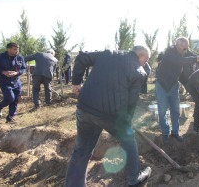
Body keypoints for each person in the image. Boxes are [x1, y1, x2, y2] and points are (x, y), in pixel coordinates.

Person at [65, 45, 152, 187]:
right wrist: (128, 121)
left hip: (85, 108)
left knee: (81, 151)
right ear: (142, 56)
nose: (145, 64)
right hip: (110, 116)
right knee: (129, 141)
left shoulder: (107, 53)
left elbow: (80, 58)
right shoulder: (139, 72)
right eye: (145, 61)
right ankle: (135, 178)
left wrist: (76, 82)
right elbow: (132, 101)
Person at [155, 37, 199, 144]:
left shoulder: (184, 50)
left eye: (187, 48)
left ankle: (175, 132)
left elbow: (193, 56)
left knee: (175, 110)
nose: (186, 51)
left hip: (174, 84)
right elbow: (180, 61)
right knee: (162, 111)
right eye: (184, 49)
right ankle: (165, 133)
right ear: (177, 46)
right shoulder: (169, 52)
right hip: (162, 84)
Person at [0, 43, 26, 123]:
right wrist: (3, 72)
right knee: (10, 98)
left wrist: (17, 73)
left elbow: (24, 69)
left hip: (16, 82)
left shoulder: (20, 58)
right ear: (8, 49)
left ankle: (10, 117)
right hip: (4, 81)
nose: (17, 51)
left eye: (17, 49)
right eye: (14, 49)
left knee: (15, 100)